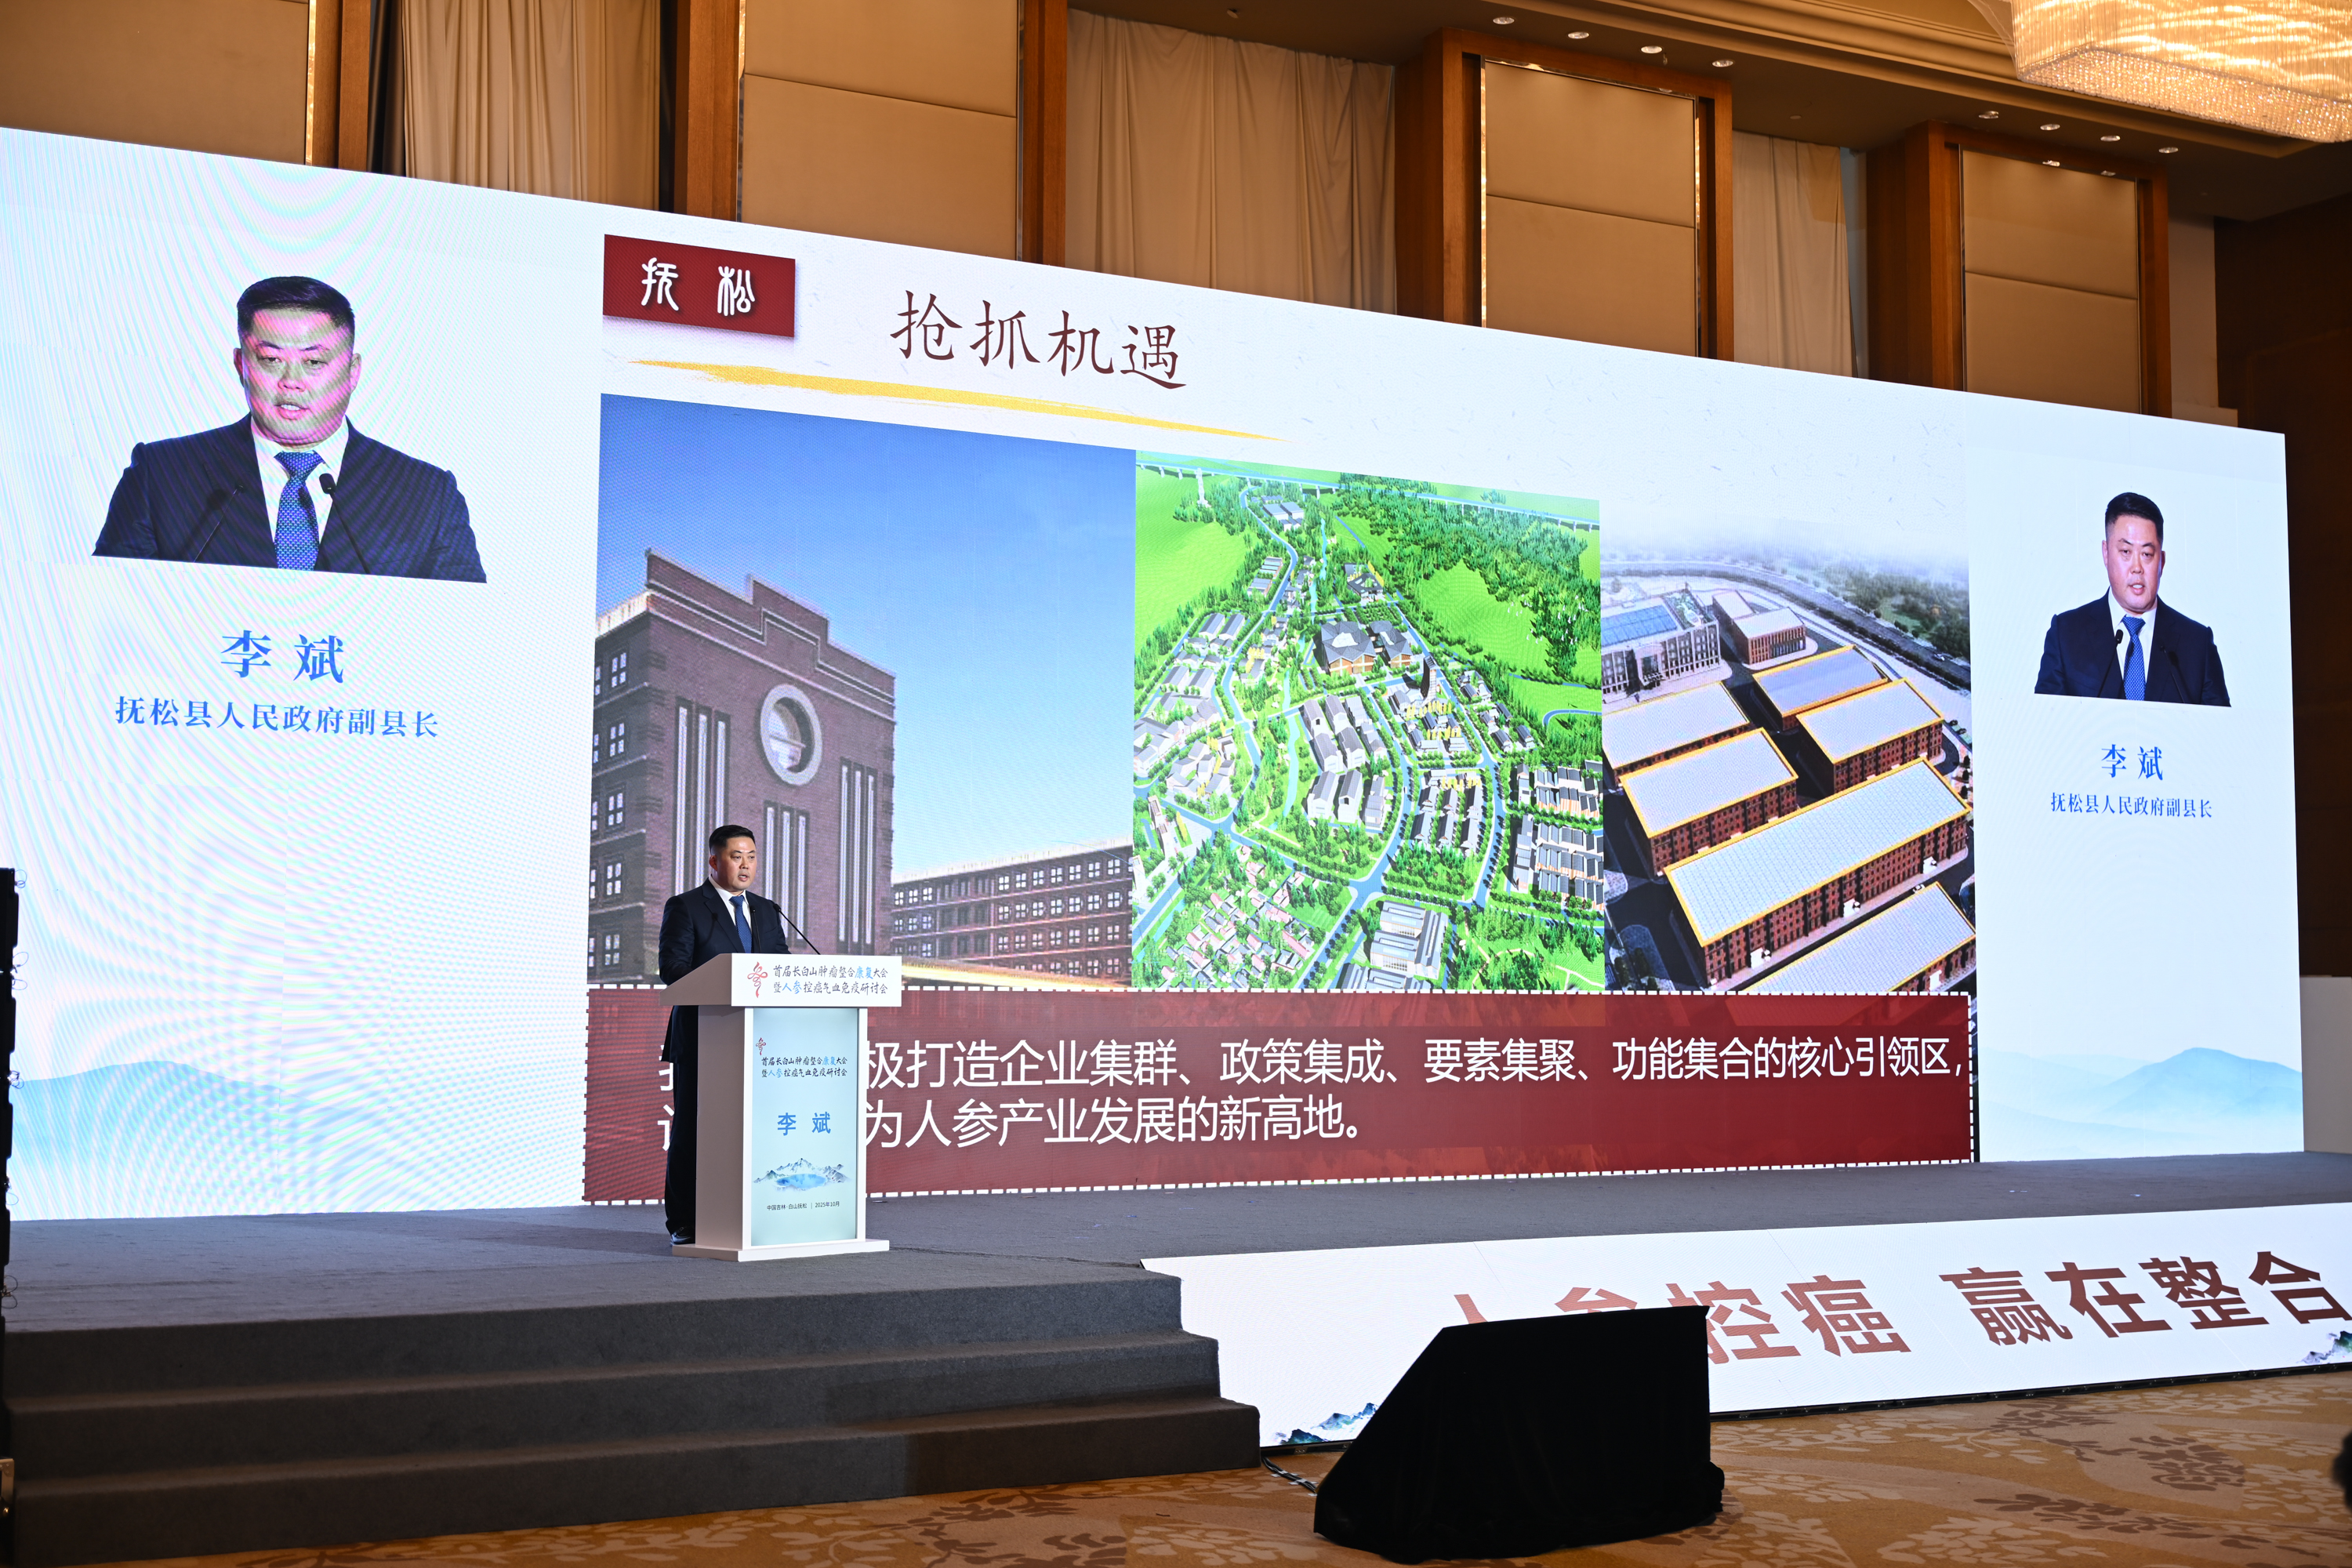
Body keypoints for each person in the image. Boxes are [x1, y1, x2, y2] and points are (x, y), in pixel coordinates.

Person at [93, 276, 487, 582]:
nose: (291, 382)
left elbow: (464, 634)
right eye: (270, 359)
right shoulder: (162, 475)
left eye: (314, 363)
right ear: (241, 365)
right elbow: (108, 612)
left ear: (353, 372)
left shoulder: (426, 495)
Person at [658, 823, 791, 1245]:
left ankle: (753, 1212)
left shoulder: (767, 910)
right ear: (714, 861)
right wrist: (727, 981)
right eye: (737, 857)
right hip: (705, 1036)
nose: (746, 865)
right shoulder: (686, 906)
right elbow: (673, 969)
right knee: (694, 1129)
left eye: (752, 856)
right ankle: (685, 1220)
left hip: (760, 1039)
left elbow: (783, 967)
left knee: (756, 1128)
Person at [2033, 492, 2228, 706]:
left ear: (2161, 561)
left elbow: (2220, 726)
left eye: (2147, 554)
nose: (2137, 568)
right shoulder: (2066, 635)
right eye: (2126, 551)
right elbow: (2046, 722)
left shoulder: (2197, 645)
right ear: (2106, 553)